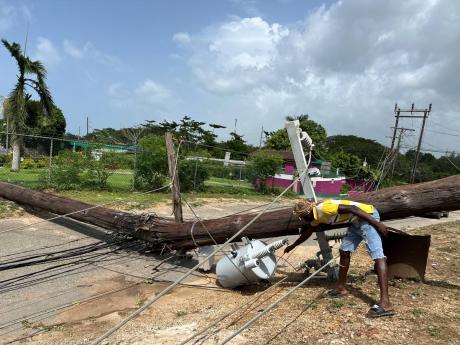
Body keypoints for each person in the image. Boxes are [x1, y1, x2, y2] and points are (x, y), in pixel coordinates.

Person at [284, 198, 395, 318]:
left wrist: (377, 224)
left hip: (368, 218)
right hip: (355, 222)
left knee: (378, 256)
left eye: (301, 217)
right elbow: (308, 231)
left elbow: (353, 209)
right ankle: (341, 288)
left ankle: (386, 304)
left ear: (306, 215)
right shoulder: (316, 217)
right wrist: (293, 245)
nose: (302, 220)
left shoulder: (324, 208)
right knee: (344, 251)